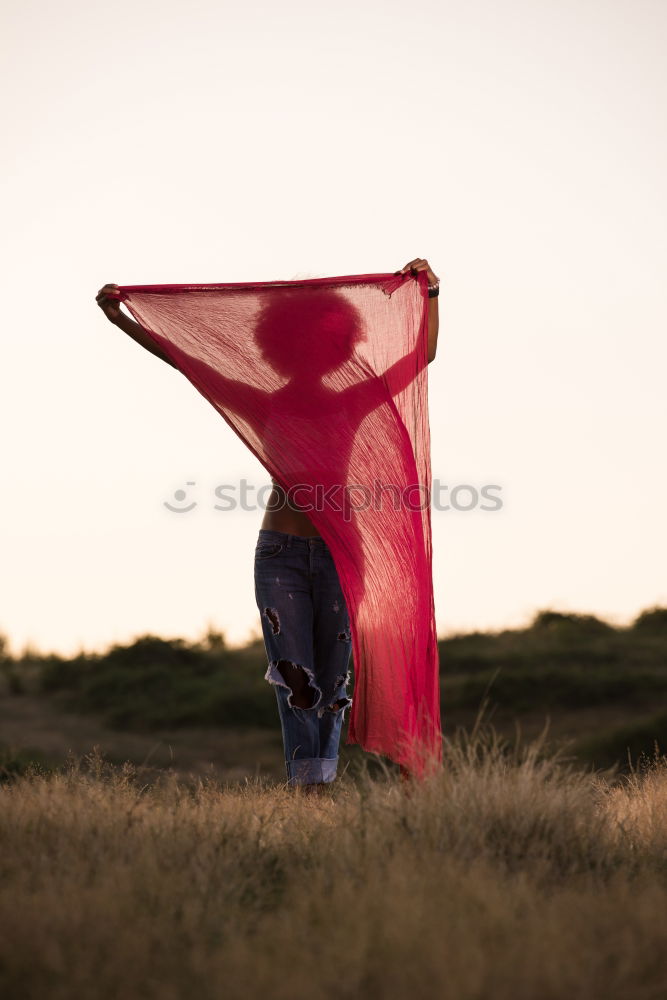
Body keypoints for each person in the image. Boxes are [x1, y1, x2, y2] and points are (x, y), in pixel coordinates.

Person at [96, 259, 440, 794]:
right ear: (279, 347)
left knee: (335, 678)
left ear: (335, 347)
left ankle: (319, 779)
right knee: (293, 676)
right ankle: (308, 786)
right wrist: (123, 319)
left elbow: (423, 357)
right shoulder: (263, 401)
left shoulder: (351, 400)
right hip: (278, 552)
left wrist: (431, 293)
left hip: (341, 553)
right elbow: (184, 360)